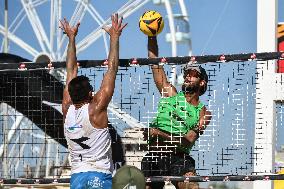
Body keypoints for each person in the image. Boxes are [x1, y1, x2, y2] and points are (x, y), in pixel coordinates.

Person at [60, 14, 127, 189]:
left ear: (71, 94)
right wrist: (114, 37)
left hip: (77, 177)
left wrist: (71, 38)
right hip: (99, 174)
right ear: (91, 94)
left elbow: (71, 70)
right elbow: (112, 69)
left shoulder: (66, 108)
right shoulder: (96, 109)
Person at [141, 36, 212, 189]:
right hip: (155, 155)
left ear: (202, 82)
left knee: (192, 187)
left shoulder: (204, 113)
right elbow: (155, 63)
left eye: (193, 74)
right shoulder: (170, 93)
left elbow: (188, 140)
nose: (187, 75)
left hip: (179, 158)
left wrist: (159, 133)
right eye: (187, 73)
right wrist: (151, 35)